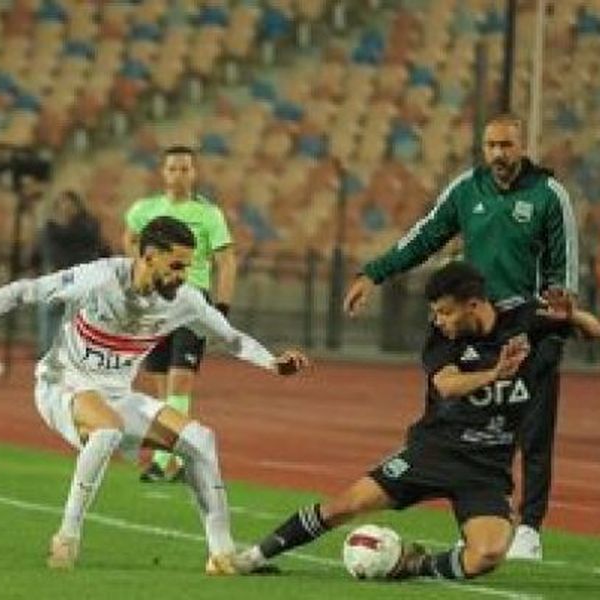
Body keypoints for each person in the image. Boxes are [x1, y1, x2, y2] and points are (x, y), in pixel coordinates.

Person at [0, 216, 308, 574]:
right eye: (176, 266)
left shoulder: (186, 300)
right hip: (63, 384)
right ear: (149, 256)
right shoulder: (99, 278)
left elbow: (231, 338)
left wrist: (273, 363)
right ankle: (67, 537)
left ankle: (221, 555)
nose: (182, 276)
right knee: (108, 429)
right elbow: (26, 291)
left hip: (117, 395)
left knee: (200, 441)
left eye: (188, 267)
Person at [234, 262, 598, 580]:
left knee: (487, 555)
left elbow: (592, 331)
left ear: (473, 305)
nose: (439, 320)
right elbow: (447, 384)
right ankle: (251, 558)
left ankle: (411, 566)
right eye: (435, 312)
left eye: (445, 312)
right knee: (344, 505)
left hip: (486, 469)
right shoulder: (442, 337)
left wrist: (573, 317)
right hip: (432, 452)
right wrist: (494, 374)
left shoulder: (526, 320)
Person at [343, 113, 579, 560]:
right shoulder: (466, 189)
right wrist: (374, 273)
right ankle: (473, 519)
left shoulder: (550, 195)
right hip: (470, 332)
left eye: (506, 145)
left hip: (526, 331)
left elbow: (563, 273)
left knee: (533, 431)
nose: (498, 154)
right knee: (454, 423)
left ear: (522, 146)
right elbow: (425, 236)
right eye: (491, 145)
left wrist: (553, 331)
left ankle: (529, 527)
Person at [123, 145, 237, 483]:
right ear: (163, 173)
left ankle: (162, 460)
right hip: (155, 303)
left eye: (185, 168)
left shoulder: (208, 214)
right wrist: (141, 274)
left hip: (192, 301)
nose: (178, 174)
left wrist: (222, 308)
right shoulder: (145, 209)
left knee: (180, 381)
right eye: (172, 168)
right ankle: (176, 460)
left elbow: (226, 261)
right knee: (162, 387)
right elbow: (129, 238)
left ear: (194, 173)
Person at [30, 190, 109, 355]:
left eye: (69, 204)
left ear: (78, 207)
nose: (66, 208)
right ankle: (49, 353)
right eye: (62, 204)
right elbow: (38, 254)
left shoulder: (87, 227)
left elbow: (101, 251)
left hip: (81, 280)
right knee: (51, 315)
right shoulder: (50, 229)